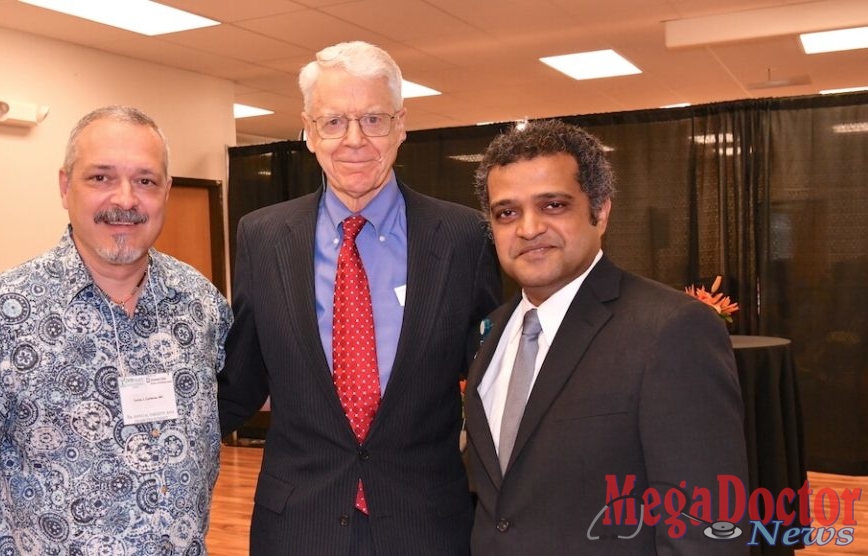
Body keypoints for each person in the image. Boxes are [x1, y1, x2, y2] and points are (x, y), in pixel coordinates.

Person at [217, 41, 502, 555]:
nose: (354, 140)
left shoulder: (462, 237)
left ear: (401, 125)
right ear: (308, 130)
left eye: (373, 119)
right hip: (298, 524)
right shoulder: (262, 236)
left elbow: (493, 377)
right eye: (332, 121)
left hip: (429, 523)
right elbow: (241, 377)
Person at [0, 105, 232, 555]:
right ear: (64, 186)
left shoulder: (201, 303)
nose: (126, 200)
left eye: (146, 181)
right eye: (101, 178)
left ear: (166, 191)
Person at [464, 119, 748, 554]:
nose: (528, 228)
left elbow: (705, 528)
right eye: (507, 212)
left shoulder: (671, 330)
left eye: (553, 205)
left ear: (600, 211)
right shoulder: (494, 333)